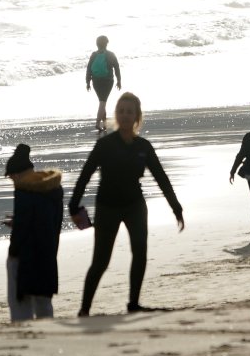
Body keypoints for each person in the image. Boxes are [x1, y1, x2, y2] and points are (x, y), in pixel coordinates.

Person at [70, 92, 184, 315]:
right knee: (101, 261)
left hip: (135, 206)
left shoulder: (143, 146)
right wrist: (73, 206)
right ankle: (84, 309)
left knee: (140, 254)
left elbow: (161, 177)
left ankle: (133, 304)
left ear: (137, 116)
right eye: (121, 111)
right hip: (107, 206)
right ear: (116, 114)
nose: (124, 115)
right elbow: (85, 175)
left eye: (129, 111)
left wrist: (176, 207)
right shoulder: (105, 145)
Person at [5, 143, 61, 322]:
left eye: (11, 178)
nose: (13, 182)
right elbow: (50, 221)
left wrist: (13, 253)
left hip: (25, 256)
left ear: (16, 174)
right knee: (44, 304)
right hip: (48, 253)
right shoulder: (53, 188)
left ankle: (24, 339)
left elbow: (23, 230)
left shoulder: (23, 191)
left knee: (20, 305)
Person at [85, 35, 121, 131]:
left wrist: (88, 82)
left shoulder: (94, 54)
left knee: (102, 101)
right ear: (106, 43)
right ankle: (97, 123)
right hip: (107, 80)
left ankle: (105, 125)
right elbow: (117, 68)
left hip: (95, 81)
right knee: (103, 102)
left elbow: (88, 68)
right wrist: (119, 81)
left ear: (97, 44)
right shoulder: (111, 54)